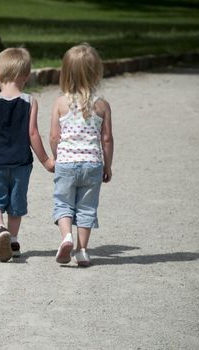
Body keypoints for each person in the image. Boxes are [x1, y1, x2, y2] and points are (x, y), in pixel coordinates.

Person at [0, 47, 54, 263]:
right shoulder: (30, 101)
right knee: (16, 204)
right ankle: (13, 240)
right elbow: (33, 133)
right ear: (26, 76)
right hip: (22, 164)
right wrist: (46, 160)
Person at [49, 43, 114, 267]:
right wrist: (108, 166)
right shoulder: (102, 105)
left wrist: (57, 158)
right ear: (96, 72)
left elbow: (54, 137)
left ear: (66, 73)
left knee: (63, 203)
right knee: (87, 208)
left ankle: (66, 236)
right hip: (92, 164)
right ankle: (82, 250)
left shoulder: (60, 103)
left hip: (66, 163)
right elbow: (106, 139)